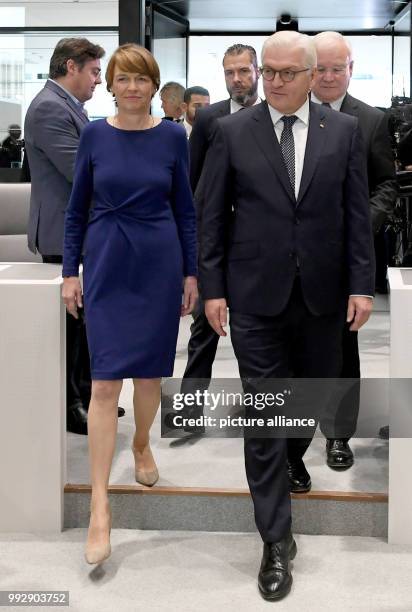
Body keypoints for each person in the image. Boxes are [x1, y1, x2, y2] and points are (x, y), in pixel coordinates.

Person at [199, 31, 374, 601]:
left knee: (307, 402)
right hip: (255, 298)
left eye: (284, 73)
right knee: (266, 411)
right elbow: (212, 218)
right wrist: (213, 289)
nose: (273, 81)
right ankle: (275, 539)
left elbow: (355, 216)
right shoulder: (230, 131)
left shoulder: (343, 132)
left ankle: (294, 457)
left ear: (310, 74)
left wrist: (361, 285)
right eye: (266, 71)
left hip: (323, 297)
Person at [62, 43, 198, 565]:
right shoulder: (94, 133)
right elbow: (76, 211)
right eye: (123, 79)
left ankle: (141, 441)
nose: (134, 87)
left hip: (158, 263)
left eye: (143, 79)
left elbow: (185, 209)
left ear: (154, 85)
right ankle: (100, 505)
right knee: (103, 381)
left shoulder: (172, 137)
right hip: (106, 262)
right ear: (112, 85)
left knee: (148, 378)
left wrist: (191, 272)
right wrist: (68, 272)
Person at [306, 31, 397, 473]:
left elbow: (386, 184)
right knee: (289, 348)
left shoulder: (372, 120)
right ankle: (286, 441)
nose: (327, 76)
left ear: (350, 69)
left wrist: (363, 226)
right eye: (319, 68)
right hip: (290, 258)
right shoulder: (282, 115)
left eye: (336, 68)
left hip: (347, 258)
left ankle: (338, 435)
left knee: (342, 348)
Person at [23, 37, 122, 435]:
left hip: (81, 232)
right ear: (70, 67)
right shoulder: (50, 108)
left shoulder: (70, 106)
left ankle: (84, 393)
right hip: (62, 232)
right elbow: (82, 172)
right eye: (95, 71)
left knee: (83, 324)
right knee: (70, 327)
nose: (99, 81)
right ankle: (70, 406)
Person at [178, 44, 260, 433]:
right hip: (212, 241)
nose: (237, 79)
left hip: (256, 244)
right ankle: (189, 410)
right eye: (230, 72)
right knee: (202, 327)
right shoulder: (209, 119)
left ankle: (257, 405)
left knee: (254, 331)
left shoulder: (273, 117)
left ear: (257, 72)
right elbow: (192, 180)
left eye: (244, 71)